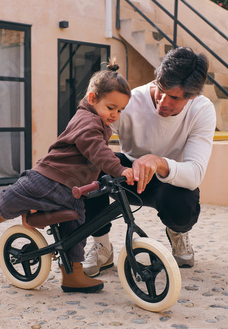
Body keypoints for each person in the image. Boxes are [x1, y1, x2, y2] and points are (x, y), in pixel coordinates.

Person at [0, 62, 134, 293]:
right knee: (21, 194)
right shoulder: (88, 122)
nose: (115, 114)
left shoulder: (96, 120)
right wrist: (119, 169)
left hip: (72, 189)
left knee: (77, 229)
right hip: (49, 178)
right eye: (111, 107)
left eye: (120, 111)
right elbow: (98, 151)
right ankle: (1, 210)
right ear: (92, 99)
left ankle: (72, 275)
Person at [82, 47, 216, 277]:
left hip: (169, 182)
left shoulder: (202, 110)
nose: (163, 101)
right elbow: (89, 135)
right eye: (161, 90)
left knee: (185, 200)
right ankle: (101, 245)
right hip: (127, 174)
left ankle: (177, 234)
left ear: (191, 97)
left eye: (174, 97)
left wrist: (158, 162)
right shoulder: (130, 100)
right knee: (88, 166)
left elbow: (195, 173)